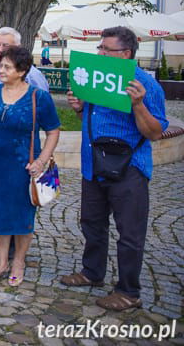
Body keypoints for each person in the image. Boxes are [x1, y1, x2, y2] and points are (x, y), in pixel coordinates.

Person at [60, 26, 168, 311]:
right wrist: (79, 107)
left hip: (129, 167)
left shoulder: (146, 85)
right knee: (92, 222)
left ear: (126, 53)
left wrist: (138, 104)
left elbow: (155, 132)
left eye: (107, 49)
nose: (101, 53)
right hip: (94, 164)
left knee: (130, 233)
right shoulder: (97, 78)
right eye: (101, 48)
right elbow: (88, 115)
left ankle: (128, 291)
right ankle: (92, 272)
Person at [0, 46, 61, 286]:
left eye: (7, 67)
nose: (1, 70)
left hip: (22, 165)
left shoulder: (38, 97)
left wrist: (41, 160)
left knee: (22, 214)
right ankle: (1, 261)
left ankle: (18, 261)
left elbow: (53, 131)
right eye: (1, 65)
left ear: (22, 70)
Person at [0, 27, 49, 91]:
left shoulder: (32, 75)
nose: (0, 50)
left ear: (18, 47)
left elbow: (42, 99)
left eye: (6, 46)